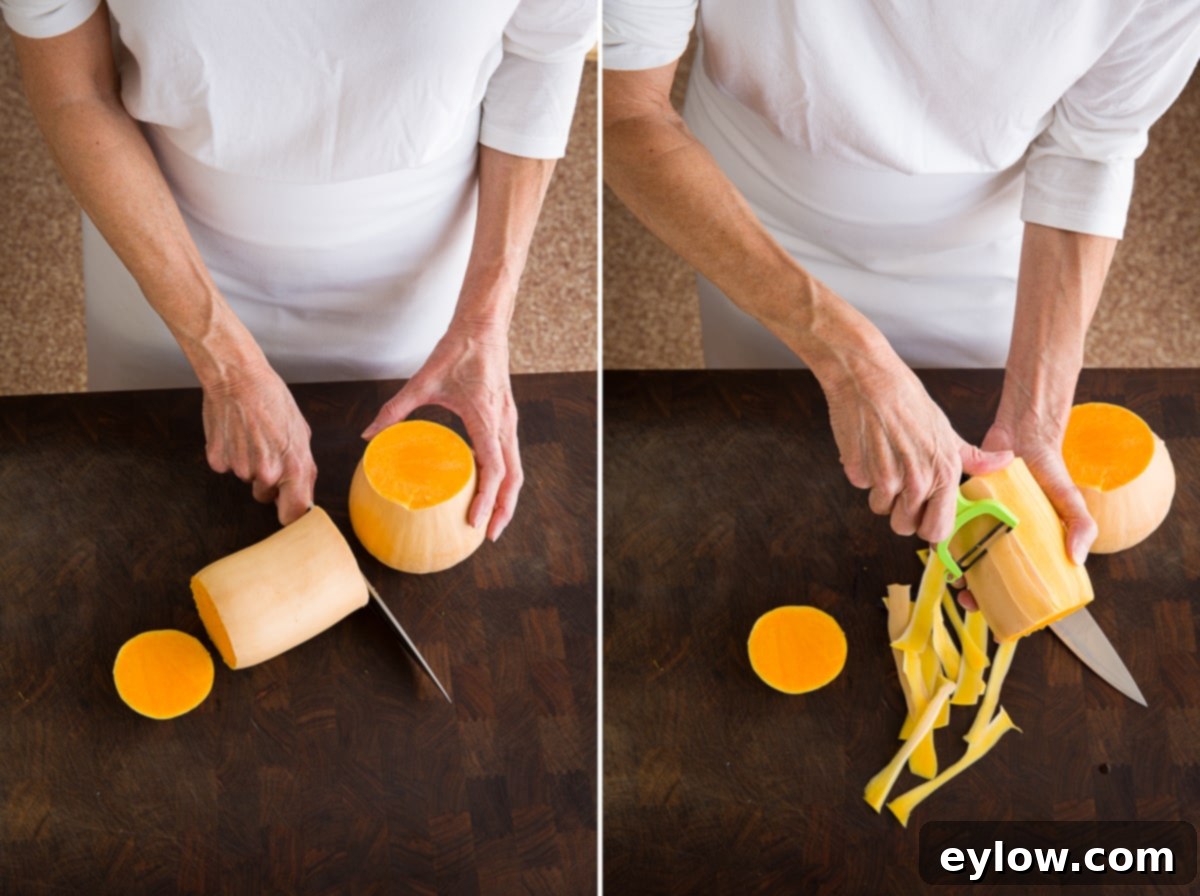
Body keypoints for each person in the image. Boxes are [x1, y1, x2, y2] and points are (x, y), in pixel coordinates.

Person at [603, 1, 1200, 570]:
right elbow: (626, 113)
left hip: (984, 244)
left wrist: (1034, 419)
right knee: (763, 456)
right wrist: (848, 356)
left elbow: (1091, 147)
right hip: (757, 211)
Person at [4, 0, 595, 535]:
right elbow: (75, 92)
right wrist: (225, 362)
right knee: (146, 509)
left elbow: (543, 49)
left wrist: (483, 322)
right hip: (162, 257)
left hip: (414, 274)